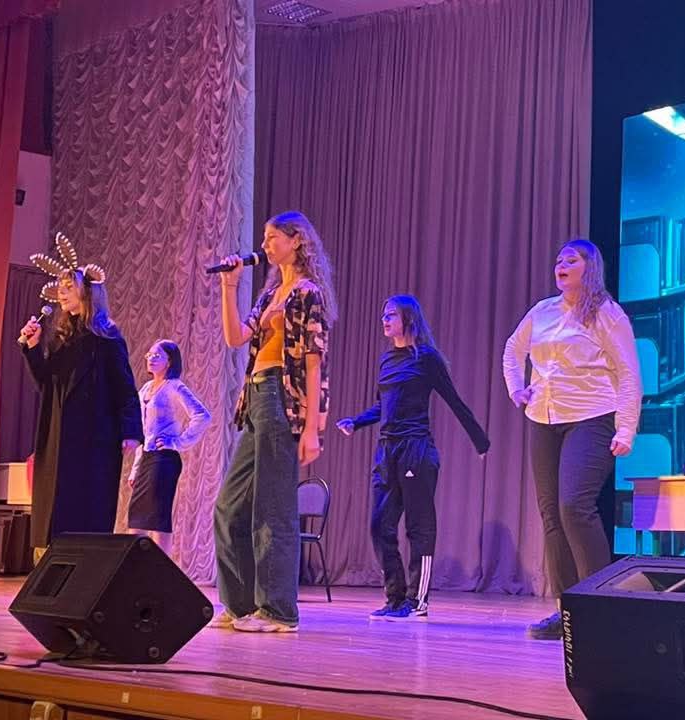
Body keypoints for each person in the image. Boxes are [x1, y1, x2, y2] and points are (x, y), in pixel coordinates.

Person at [502, 238, 642, 640]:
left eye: (570, 259)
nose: (560, 265)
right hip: (543, 417)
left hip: (592, 417)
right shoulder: (542, 311)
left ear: (589, 267)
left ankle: (598, 609)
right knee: (551, 514)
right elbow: (513, 349)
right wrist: (516, 388)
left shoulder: (607, 314)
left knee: (574, 506)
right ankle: (566, 615)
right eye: (558, 260)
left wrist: (626, 428)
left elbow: (629, 373)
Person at [210, 211, 337, 633]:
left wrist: (313, 427)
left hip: (283, 401)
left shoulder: (306, 293)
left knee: (273, 508)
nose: (264, 245)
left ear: (296, 240)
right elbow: (234, 337)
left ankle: (279, 611)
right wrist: (229, 286)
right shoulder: (269, 296)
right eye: (263, 238)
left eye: (272, 237)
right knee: (229, 506)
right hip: (255, 399)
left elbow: (315, 363)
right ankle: (241, 604)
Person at [337, 295, 490, 621]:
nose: (384, 320)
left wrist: (481, 443)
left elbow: (454, 400)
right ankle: (394, 598)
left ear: (408, 318)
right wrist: (356, 422)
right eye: (383, 315)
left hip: (416, 450)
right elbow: (383, 406)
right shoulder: (386, 360)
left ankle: (417, 601)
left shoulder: (426, 358)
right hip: (386, 451)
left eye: (391, 314)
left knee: (418, 527)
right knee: (379, 525)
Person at [20, 237, 143, 560]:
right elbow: (47, 384)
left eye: (68, 288)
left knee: (86, 508)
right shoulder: (61, 339)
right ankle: (51, 565)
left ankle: (85, 566)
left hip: (93, 437)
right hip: (59, 437)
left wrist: (131, 431)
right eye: (60, 288)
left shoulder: (107, 338)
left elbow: (125, 387)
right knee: (55, 508)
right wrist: (32, 349)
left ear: (87, 294)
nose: (61, 294)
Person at [126, 339, 211, 557]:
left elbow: (202, 416)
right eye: (149, 355)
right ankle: (134, 567)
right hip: (147, 459)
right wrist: (135, 468)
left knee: (157, 518)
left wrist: (177, 442)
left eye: (157, 356)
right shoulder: (145, 389)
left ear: (169, 361)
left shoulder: (174, 386)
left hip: (164, 460)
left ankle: (160, 569)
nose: (151, 359)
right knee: (136, 517)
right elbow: (143, 431)